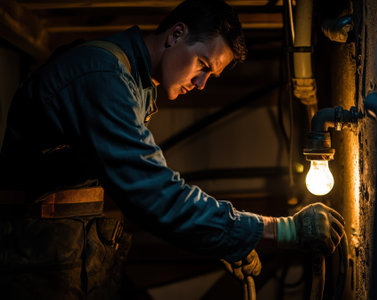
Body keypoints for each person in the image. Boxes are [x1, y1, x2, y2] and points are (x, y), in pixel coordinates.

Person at [0, 0, 345, 298]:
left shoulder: (133, 81)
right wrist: (278, 229)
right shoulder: (104, 78)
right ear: (176, 34)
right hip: (40, 256)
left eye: (210, 76)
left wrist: (221, 238)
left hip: (70, 249)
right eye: (203, 66)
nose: (200, 84)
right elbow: (156, 194)